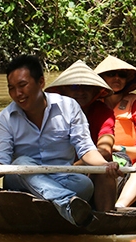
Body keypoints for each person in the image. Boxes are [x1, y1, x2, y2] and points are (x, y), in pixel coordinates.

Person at [0, 55, 119, 227]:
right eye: (12, 88)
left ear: (41, 82)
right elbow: (1, 161)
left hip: (63, 178)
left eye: (23, 85)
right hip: (21, 178)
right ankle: (66, 204)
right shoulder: (5, 118)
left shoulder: (69, 107)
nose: (18, 94)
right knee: (22, 163)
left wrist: (104, 165)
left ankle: (21, 198)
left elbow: (86, 149)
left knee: (84, 184)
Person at [44, 60, 118, 212]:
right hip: (58, 171)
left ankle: (106, 216)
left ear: (95, 91)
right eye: (74, 87)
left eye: (87, 87)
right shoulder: (51, 112)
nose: (80, 92)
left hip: (85, 170)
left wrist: (76, 166)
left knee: (105, 166)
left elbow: (105, 149)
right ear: (63, 91)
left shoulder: (102, 112)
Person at [94, 55, 136, 208]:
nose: (116, 78)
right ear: (102, 78)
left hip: (132, 167)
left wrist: (118, 149)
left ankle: (119, 207)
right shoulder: (94, 105)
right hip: (101, 163)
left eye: (121, 75)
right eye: (111, 74)